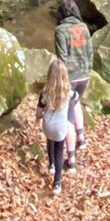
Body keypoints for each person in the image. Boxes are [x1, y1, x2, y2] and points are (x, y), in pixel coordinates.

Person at [54, 0, 92, 151]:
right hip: (85, 75)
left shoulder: (61, 30)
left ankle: (71, 159)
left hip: (71, 77)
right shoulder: (84, 28)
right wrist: (88, 71)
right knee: (76, 103)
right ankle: (81, 138)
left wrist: (62, 79)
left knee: (68, 114)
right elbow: (90, 53)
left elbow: (61, 57)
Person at [36, 58, 78, 194]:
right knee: (60, 150)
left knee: (50, 141)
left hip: (48, 126)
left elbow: (39, 110)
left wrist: (38, 118)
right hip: (61, 128)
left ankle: (51, 165)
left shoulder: (45, 93)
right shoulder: (67, 92)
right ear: (65, 76)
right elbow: (76, 97)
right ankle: (57, 183)